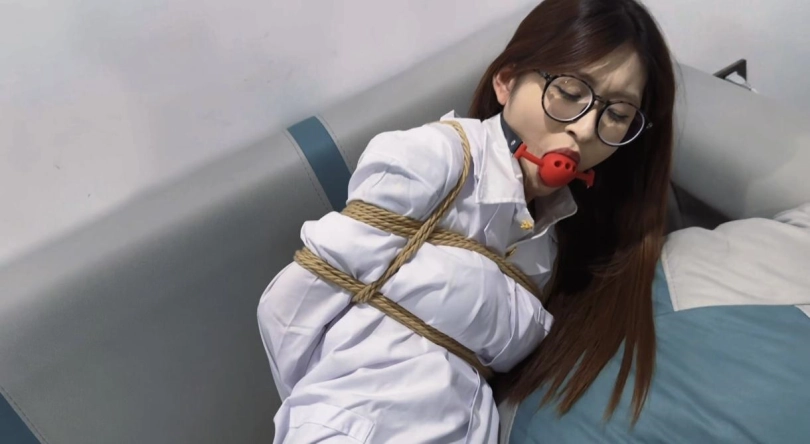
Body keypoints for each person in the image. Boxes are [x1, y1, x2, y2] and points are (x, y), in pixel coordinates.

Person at [257, 0, 676, 441]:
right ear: (506, 80)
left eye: (617, 115)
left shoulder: (551, 243)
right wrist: (321, 412)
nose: (587, 129)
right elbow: (292, 304)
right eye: (570, 92)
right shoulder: (432, 158)